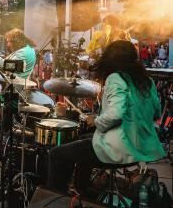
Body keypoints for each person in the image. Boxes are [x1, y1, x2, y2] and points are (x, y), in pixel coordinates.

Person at [48, 40, 166, 195]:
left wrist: (95, 120)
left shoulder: (116, 78)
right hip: (141, 148)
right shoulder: (147, 81)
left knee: (56, 155)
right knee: (84, 141)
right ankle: (82, 190)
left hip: (121, 148)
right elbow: (156, 112)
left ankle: (56, 200)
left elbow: (116, 113)